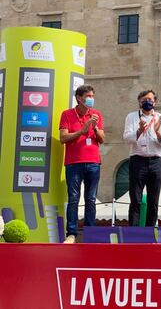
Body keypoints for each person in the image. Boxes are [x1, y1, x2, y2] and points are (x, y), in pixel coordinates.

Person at [59, 84, 105, 243]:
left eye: (92, 96)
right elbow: (63, 138)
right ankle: (71, 233)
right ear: (79, 98)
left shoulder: (96, 114)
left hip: (93, 162)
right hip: (74, 163)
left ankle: (90, 232)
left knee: (91, 199)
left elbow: (102, 139)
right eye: (88, 96)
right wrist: (82, 130)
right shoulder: (67, 114)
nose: (91, 99)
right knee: (73, 198)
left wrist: (96, 129)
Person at [123, 90, 161, 226]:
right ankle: (133, 232)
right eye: (144, 100)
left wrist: (158, 133)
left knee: (153, 200)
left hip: (155, 161)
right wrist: (138, 131)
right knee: (135, 199)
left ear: (155, 102)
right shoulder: (132, 117)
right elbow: (127, 138)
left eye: (150, 99)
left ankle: (150, 232)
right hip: (138, 161)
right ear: (139, 102)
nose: (147, 102)